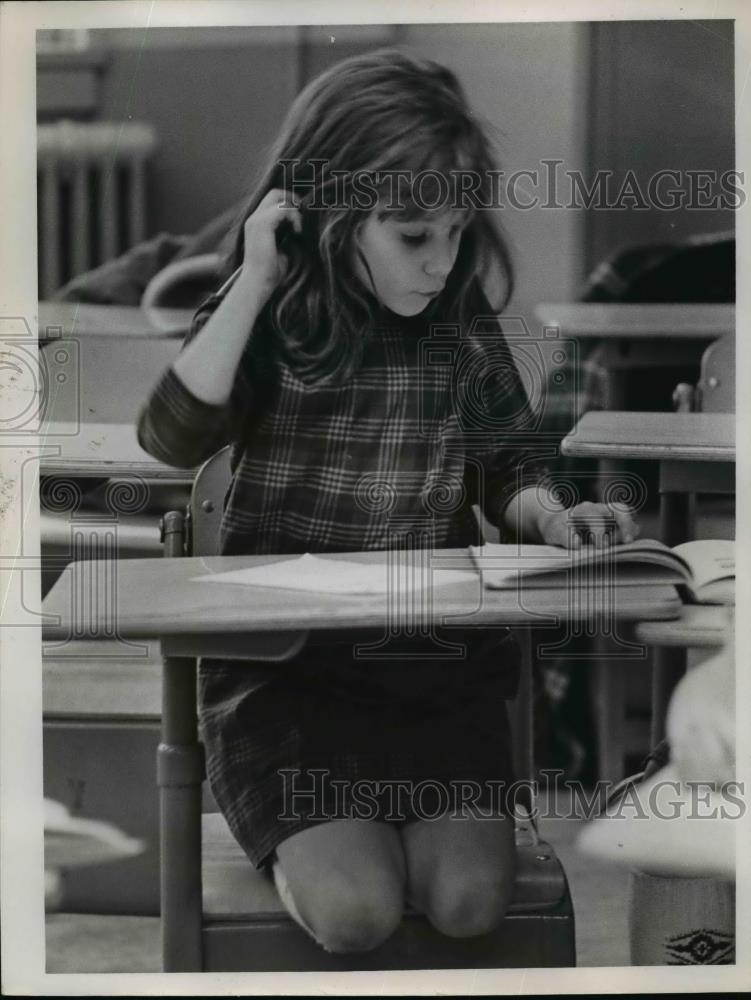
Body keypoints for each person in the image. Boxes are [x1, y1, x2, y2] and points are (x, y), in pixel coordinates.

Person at [138, 48, 638, 955]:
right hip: (285, 686)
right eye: (413, 237)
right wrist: (252, 277)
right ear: (333, 218)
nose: (442, 263)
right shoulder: (274, 313)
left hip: (432, 676)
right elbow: (169, 440)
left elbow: (508, 463)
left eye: (454, 233)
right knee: (357, 912)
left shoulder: (456, 319)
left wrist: (555, 518)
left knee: (467, 901)